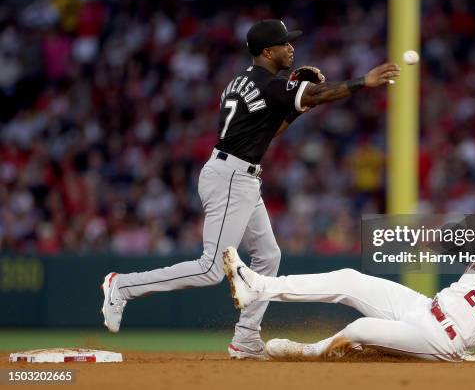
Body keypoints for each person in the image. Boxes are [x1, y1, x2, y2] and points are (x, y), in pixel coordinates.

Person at [101, 19, 401, 359]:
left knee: (269, 256)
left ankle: (245, 338)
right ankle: (123, 285)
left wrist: (299, 104)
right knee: (211, 269)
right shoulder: (269, 84)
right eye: (284, 43)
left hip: (236, 173)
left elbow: (269, 130)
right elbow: (317, 93)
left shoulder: (241, 81)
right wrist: (364, 81)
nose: (291, 47)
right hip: (231, 176)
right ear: (267, 51)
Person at [223, 210, 475, 363]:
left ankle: (307, 352)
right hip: (422, 307)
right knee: (350, 280)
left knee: (360, 329)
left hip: (445, 340)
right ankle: (259, 287)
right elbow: (446, 242)